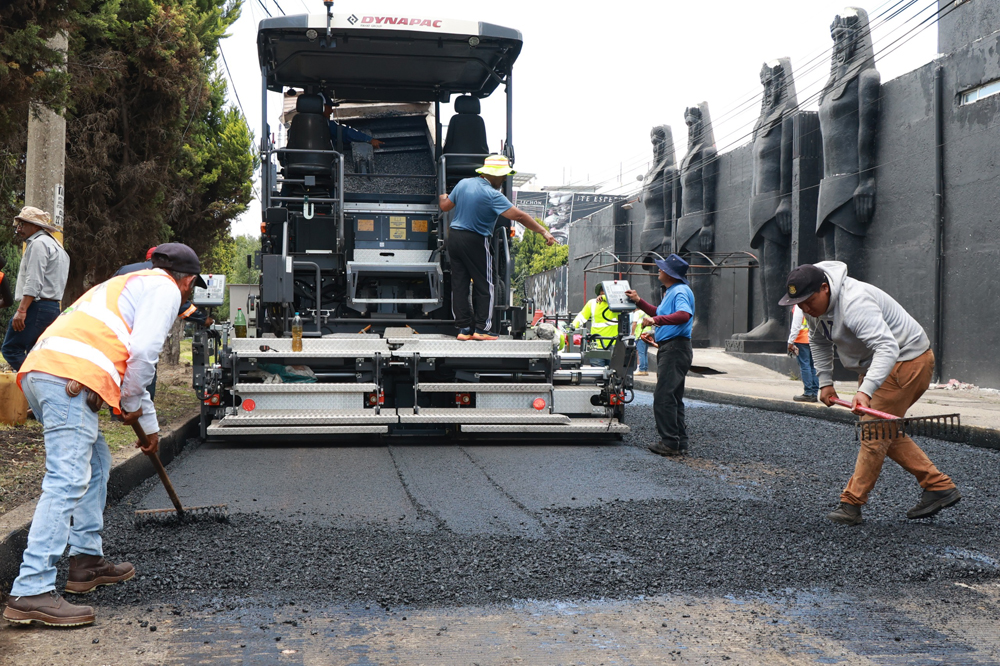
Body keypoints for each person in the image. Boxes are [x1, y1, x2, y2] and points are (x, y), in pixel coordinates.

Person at [2, 243, 207, 627]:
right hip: (69, 377)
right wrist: (132, 407)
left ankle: (86, 562)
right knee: (67, 478)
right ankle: (31, 587)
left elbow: (125, 362)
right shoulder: (165, 288)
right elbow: (143, 354)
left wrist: (148, 428)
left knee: (96, 462)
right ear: (188, 281)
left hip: (46, 370)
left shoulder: (126, 282)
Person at [779, 262, 960, 526]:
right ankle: (938, 485)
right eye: (799, 303)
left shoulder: (854, 303)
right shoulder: (814, 308)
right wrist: (825, 382)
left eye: (808, 300)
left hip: (906, 361)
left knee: (874, 432)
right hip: (881, 364)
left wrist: (865, 390)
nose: (805, 308)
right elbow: (818, 341)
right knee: (885, 430)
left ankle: (851, 504)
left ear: (825, 288)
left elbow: (887, 347)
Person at [439, 154, 555, 341]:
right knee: (486, 283)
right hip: (475, 239)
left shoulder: (463, 184)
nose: (503, 179)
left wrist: (442, 193)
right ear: (493, 175)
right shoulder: (493, 195)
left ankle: (463, 329)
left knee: (459, 284)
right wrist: (544, 232)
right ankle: (481, 329)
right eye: (503, 176)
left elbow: (445, 206)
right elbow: (520, 216)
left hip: (454, 238)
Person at [114, 246, 213, 400]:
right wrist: (203, 319)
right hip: (137, 335)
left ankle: (118, 409)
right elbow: (182, 305)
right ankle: (135, 403)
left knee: (120, 368)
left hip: (113, 337)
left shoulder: (125, 270)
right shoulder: (165, 283)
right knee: (145, 366)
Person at [625, 254, 694, 456]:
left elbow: (684, 315)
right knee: (673, 397)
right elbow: (658, 312)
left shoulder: (679, 291)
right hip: (675, 348)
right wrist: (639, 302)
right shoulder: (673, 291)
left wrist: (655, 322)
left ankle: (669, 442)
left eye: (662, 268)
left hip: (674, 349)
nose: (659, 270)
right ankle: (679, 441)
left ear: (670, 274)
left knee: (663, 396)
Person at [2, 206, 69, 372]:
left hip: (36, 306)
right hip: (52, 307)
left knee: (11, 349)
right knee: (37, 353)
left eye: (24, 224)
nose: (19, 228)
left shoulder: (38, 244)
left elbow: (34, 280)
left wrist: (22, 309)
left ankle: (35, 383)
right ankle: (39, 388)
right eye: (19, 224)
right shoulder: (58, 246)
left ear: (37, 226)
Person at [571, 284, 621, 367]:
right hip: (598, 346)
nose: (604, 293)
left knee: (612, 375)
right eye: (602, 291)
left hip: (613, 346)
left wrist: (605, 298)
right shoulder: (592, 303)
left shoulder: (616, 304)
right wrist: (572, 326)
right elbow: (581, 317)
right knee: (601, 374)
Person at [787, 304, 818, 402]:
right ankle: (814, 393)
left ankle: (808, 393)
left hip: (801, 339)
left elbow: (796, 324)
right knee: (813, 366)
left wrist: (790, 341)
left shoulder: (799, 305)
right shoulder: (814, 303)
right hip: (815, 339)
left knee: (805, 365)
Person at [632, 307, 655, 376]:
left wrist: (632, 333)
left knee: (640, 353)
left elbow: (634, 324)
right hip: (647, 335)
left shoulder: (637, 313)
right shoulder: (646, 312)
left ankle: (641, 369)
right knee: (644, 353)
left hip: (640, 335)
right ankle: (645, 369)